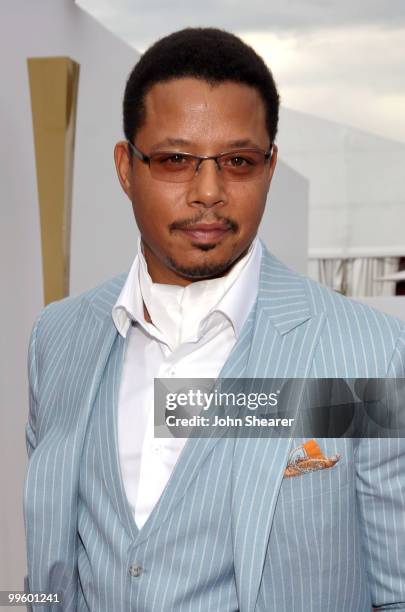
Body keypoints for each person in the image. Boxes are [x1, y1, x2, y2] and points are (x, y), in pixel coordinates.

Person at [24, 27, 405, 612]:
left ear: (270, 167)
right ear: (127, 167)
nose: (209, 191)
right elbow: (49, 577)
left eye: (237, 161)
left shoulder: (368, 353)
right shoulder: (58, 338)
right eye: (176, 160)